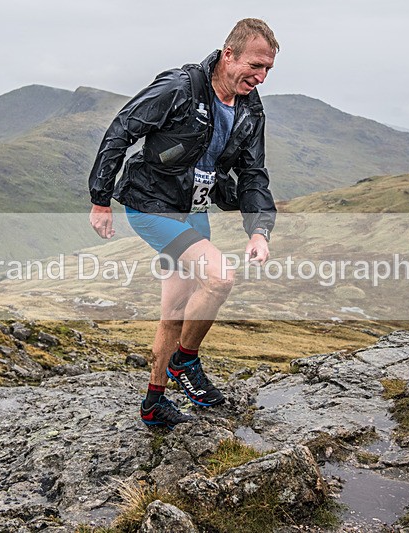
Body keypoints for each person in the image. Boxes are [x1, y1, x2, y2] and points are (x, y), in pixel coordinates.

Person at [88, 18, 278, 429]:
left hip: (195, 209)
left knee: (174, 310)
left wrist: (259, 229)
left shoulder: (250, 109)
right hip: (152, 204)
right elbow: (123, 129)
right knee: (221, 277)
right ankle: (184, 361)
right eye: (255, 66)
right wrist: (100, 199)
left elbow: (252, 174)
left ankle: (153, 403)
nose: (260, 77)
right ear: (229, 54)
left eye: (267, 70)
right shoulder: (181, 87)